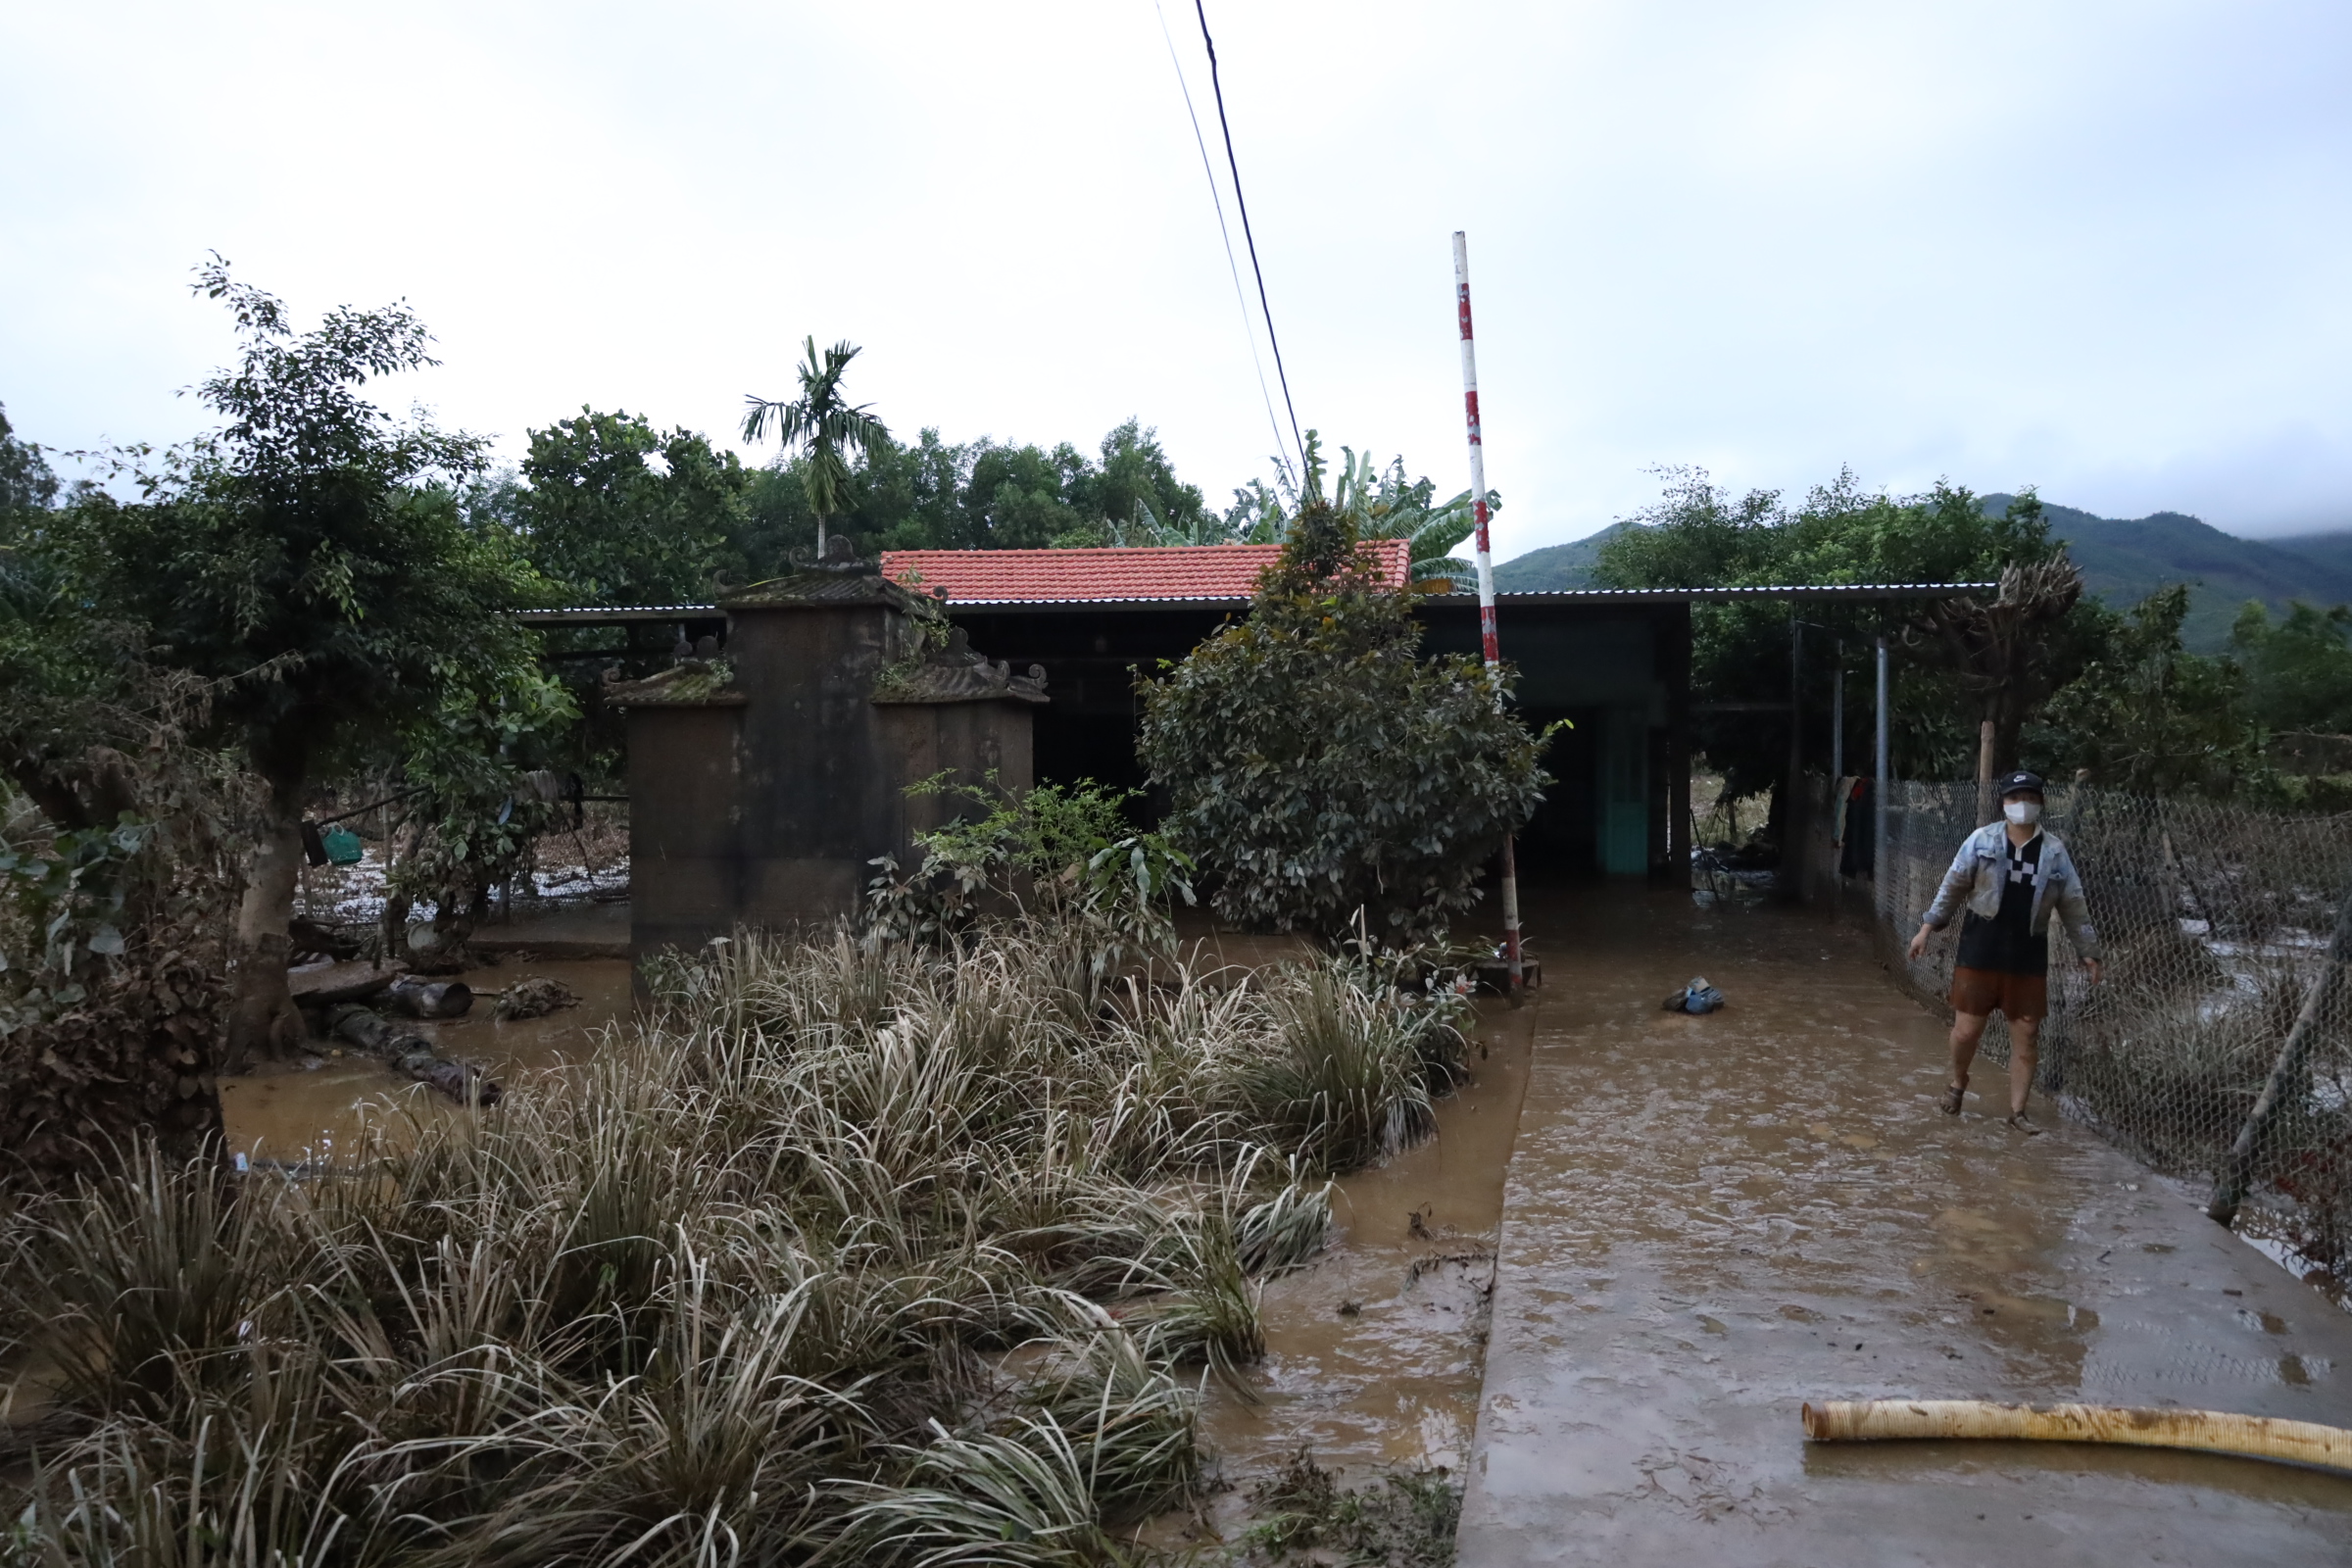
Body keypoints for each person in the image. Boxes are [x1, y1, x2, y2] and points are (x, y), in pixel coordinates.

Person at [1907, 770, 2103, 1132]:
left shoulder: (2055, 852)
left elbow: (2074, 904)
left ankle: (2018, 1112)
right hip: (1981, 945)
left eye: (2028, 798)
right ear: (2003, 803)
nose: (2021, 805)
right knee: (1967, 1031)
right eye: (2014, 799)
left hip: (2028, 950)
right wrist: (1926, 930)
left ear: (2041, 803)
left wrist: (2088, 950)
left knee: (2027, 1032)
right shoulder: (1981, 840)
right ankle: (1958, 1081)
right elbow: (1952, 886)